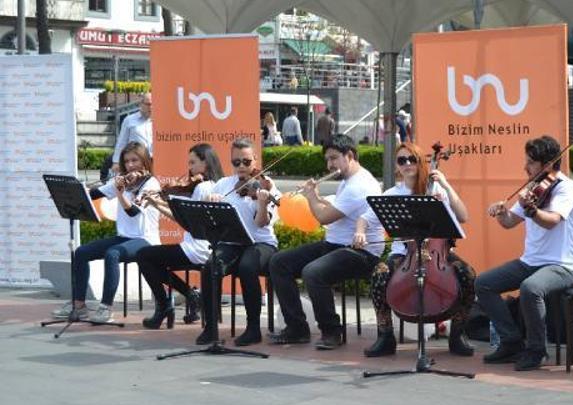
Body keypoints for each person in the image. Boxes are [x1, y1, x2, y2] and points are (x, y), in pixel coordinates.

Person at [354, 142, 477, 357]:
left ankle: (458, 334)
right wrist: (360, 232)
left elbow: (463, 216)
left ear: (422, 162)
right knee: (380, 274)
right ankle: (385, 336)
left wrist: (446, 186)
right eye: (402, 160)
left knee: (468, 274)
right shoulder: (393, 193)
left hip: (439, 253)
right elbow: (365, 218)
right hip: (404, 254)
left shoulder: (436, 189)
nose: (407, 164)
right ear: (397, 166)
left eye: (412, 159)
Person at [476, 135, 573, 371]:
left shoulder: (566, 188)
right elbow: (510, 222)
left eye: (531, 162)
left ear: (548, 164)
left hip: (563, 265)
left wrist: (531, 210)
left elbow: (552, 220)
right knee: (483, 283)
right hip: (530, 262)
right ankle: (511, 341)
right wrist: (501, 213)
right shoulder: (533, 187)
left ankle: (536, 350)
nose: (525, 167)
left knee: (531, 288)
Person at [268, 134, 383, 350]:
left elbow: (323, 217)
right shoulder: (349, 181)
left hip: (360, 252)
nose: (330, 165)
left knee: (313, 272)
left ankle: (332, 331)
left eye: (334, 158)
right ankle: (297, 328)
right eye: (327, 159)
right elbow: (332, 209)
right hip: (335, 245)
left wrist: (310, 195)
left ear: (350, 156)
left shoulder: (359, 185)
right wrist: (317, 196)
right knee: (279, 262)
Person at [51, 142, 161, 323]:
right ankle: (79, 305)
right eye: (127, 161)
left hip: (145, 239)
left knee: (112, 254)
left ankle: (106, 307)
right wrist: (70, 192)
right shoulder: (122, 180)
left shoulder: (151, 183)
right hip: (124, 237)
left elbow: (132, 211)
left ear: (144, 161)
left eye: (135, 160)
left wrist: (119, 193)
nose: (131, 165)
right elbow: (94, 194)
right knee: (81, 252)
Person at [196, 138, 281, 346]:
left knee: (247, 267)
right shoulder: (224, 184)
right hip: (233, 242)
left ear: (255, 160)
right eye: (236, 162)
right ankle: (211, 326)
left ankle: (253, 329)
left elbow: (261, 224)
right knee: (210, 268)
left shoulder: (267, 185)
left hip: (261, 243)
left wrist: (262, 203)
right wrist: (209, 202)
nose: (241, 167)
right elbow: (210, 215)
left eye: (246, 161)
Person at [136, 143, 224, 329]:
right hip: (200, 247)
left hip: (197, 248)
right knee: (149, 258)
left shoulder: (203, 188)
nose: (189, 168)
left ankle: (166, 304)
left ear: (206, 163)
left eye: (193, 163)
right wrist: (157, 204)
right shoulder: (213, 185)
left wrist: (157, 204)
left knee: (144, 256)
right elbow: (183, 218)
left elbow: (186, 222)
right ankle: (188, 295)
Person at [111, 93, 153, 174]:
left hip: (154, 162)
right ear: (141, 104)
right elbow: (122, 142)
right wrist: (116, 162)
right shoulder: (129, 120)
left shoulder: (160, 121)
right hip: (136, 163)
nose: (151, 107)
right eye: (148, 104)